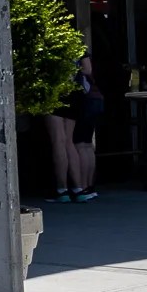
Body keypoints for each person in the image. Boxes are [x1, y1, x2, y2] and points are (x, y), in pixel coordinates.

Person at [49, 52, 103, 201]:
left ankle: (62, 189)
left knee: (58, 140)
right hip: (74, 94)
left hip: (55, 91)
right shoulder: (77, 45)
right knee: (70, 142)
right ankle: (79, 188)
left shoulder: (49, 43)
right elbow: (87, 69)